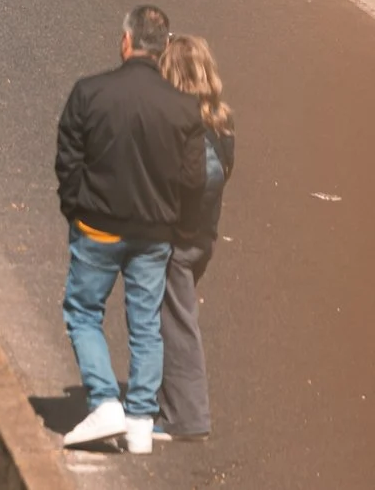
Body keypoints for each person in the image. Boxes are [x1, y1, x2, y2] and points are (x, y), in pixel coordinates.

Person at [54, 4, 207, 457]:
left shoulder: (90, 93)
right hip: (155, 233)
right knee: (146, 325)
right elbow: (193, 181)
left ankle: (104, 401)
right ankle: (140, 419)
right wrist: (178, 226)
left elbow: (68, 162)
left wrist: (75, 210)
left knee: (83, 312)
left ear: (126, 41)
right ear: (163, 49)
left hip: (98, 227)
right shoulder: (184, 108)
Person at [156, 33, 235, 443]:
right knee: (169, 318)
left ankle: (187, 417)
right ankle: (166, 398)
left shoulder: (178, 128)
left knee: (177, 325)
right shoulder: (220, 121)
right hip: (205, 236)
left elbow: (179, 182)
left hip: (179, 243)